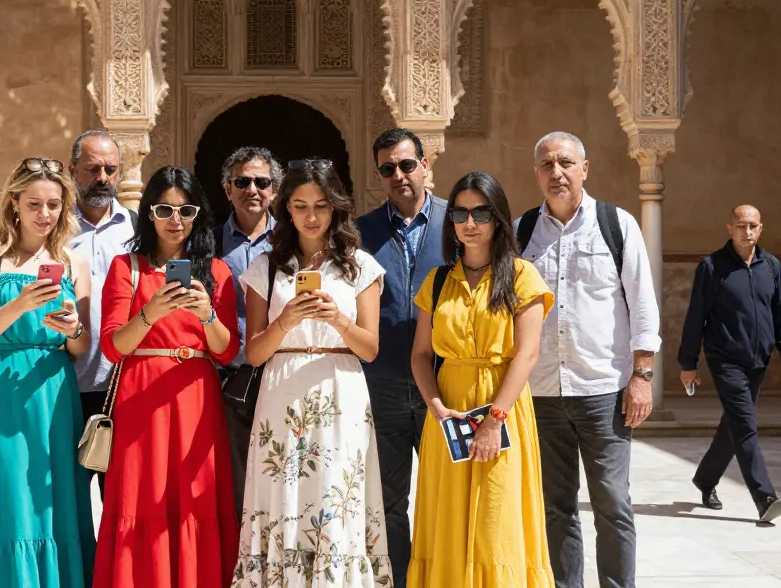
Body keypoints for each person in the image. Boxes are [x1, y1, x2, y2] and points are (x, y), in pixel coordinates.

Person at [233, 158, 391, 587]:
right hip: (281, 392)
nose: (312, 216)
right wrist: (285, 321)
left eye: (321, 205)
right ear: (286, 208)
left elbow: (370, 349)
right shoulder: (265, 267)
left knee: (335, 494)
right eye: (301, 206)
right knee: (282, 493)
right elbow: (255, 354)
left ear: (335, 206)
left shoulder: (361, 266)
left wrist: (338, 319)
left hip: (341, 391)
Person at [519, 131, 660, 588]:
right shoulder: (522, 231)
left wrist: (641, 376)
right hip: (541, 393)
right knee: (555, 507)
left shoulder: (616, 225)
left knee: (612, 504)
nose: (556, 172)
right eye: (547, 165)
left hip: (603, 392)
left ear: (585, 168)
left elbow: (642, 305)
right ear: (537, 173)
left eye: (565, 163)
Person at [0, 157, 96, 586]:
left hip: (53, 394)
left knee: (50, 497)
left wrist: (73, 328)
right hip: (0, 392)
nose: (44, 214)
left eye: (54, 204)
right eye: (34, 204)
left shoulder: (74, 262)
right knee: (4, 496)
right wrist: (20, 304)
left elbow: (81, 347)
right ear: (13, 203)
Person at [92, 165, 240, 588]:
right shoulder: (126, 267)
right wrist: (151, 312)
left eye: (186, 210)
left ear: (198, 215)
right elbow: (113, 347)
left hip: (196, 400)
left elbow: (226, 350)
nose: (176, 220)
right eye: (164, 209)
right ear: (149, 214)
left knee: (195, 498)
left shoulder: (217, 272)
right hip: (141, 399)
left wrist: (207, 314)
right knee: (141, 498)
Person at [409, 171, 554, 587]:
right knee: (448, 517)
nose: (469, 222)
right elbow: (421, 355)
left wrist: (494, 419)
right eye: (459, 213)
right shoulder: (438, 281)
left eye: (481, 213)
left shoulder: (522, 276)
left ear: (499, 218)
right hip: (448, 415)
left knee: (497, 519)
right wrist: (436, 407)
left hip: (502, 411)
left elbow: (526, 354)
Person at [355, 128, 447, 588]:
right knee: (389, 501)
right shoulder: (362, 231)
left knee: (446, 496)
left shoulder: (456, 221)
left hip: (444, 385)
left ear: (425, 165)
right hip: (383, 383)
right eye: (388, 169)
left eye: (407, 165)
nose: (399, 175)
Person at [679, 204, 781, 524]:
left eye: (753, 226)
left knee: (733, 425)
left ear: (761, 229)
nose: (747, 231)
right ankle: (765, 497)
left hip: (758, 360)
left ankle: (705, 478)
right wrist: (688, 362)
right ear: (730, 229)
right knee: (745, 425)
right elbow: (696, 316)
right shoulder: (712, 267)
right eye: (741, 226)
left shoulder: (770, 266)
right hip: (725, 359)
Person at [68, 130, 137, 495]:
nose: (103, 178)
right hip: (66, 387)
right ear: (72, 170)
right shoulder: (56, 230)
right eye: (93, 168)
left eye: (111, 169)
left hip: (122, 386)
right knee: (67, 499)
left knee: (121, 497)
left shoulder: (137, 229)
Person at [216, 146, 281, 517]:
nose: (252, 189)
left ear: (275, 190)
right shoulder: (207, 242)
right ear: (228, 189)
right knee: (235, 485)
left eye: (261, 182)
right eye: (242, 182)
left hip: (281, 376)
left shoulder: (292, 240)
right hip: (228, 382)